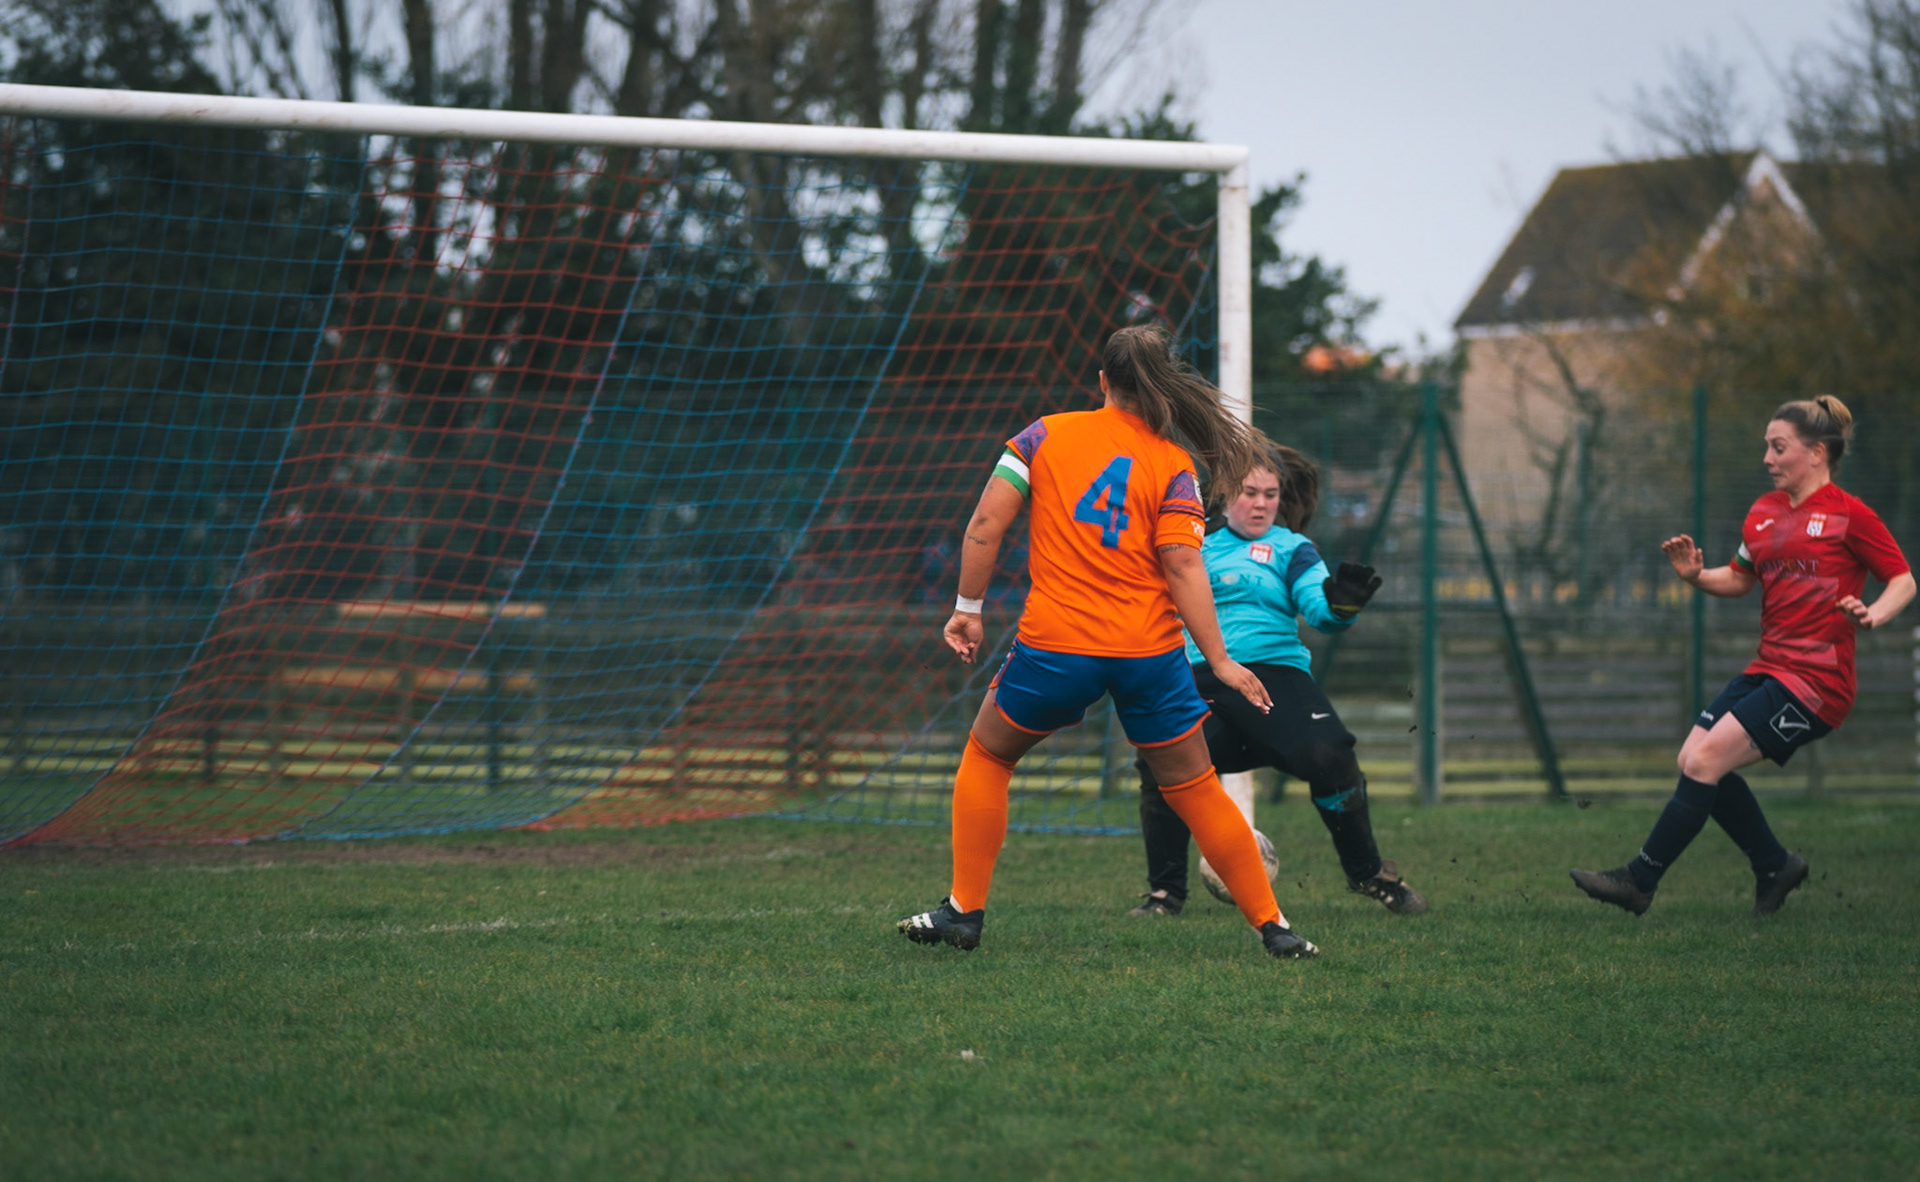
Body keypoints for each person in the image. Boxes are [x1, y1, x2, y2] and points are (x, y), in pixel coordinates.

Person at [897, 325, 1320, 959]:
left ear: (1102, 382)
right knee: (1197, 787)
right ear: (1163, 384)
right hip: (1147, 655)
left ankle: (964, 912)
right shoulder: (1174, 464)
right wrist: (1223, 660)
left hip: (1056, 645)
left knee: (988, 758)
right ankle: (1275, 928)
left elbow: (986, 522)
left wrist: (968, 609)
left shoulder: (1043, 435)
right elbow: (1182, 565)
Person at [1572, 396, 1913, 916]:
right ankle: (1775, 865)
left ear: (1817, 453)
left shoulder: (1850, 514)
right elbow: (1739, 578)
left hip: (1818, 684)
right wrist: (1695, 577)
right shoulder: (1763, 513)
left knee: (1707, 761)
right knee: (1693, 759)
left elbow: (1903, 579)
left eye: (1778, 448)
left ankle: (1639, 882)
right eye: (1766, 448)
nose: (1767, 459)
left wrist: (1873, 614)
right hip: (1768, 669)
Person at [1128, 444, 1427, 918]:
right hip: (1204, 677)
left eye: (1270, 493)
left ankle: (1369, 874)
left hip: (1275, 679)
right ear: (1227, 496)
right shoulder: (1193, 545)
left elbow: (1319, 610)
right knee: (1160, 755)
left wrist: (1340, 605)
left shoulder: (1293, 548)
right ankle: (1165, 895)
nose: (1262, 503)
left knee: (1331, 755)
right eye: (1250, 492)